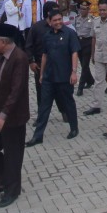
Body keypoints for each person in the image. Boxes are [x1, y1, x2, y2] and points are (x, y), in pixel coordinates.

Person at [0, 22, 31, 208]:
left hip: (12, 118)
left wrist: (3, 115)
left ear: (3, 42)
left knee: (13, 155)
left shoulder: (19, 58)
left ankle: (12, 190)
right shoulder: (1, 57)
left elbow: (16, 91)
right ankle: (0, 181)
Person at [26, 11, 80, 147]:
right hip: (49, 77)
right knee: (44, 106)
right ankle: (38, 136)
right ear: (50, 21)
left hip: (64, 76)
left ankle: (74, 128)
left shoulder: (70, 33)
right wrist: (42, 74)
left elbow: (74, 53)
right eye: (55, 20)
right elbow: (44, 55)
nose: (58, 22)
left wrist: (74, 72)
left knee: (68, 103)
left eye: (60, 19)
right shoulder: (47, 36)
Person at [84, 1, 107, 116]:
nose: (102, 12)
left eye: (104, 10)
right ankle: (96, 106)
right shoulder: (95, 22)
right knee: (98, 82)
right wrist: (92, 54)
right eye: (100, 10)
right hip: (99, 56)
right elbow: (93, 38)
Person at [73, 0, 95, 96]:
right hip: (78, 42)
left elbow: (93, 34)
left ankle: (80, 88)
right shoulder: (76, 18)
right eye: (81, 8)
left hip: (88, 42)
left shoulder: (92, 19)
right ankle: (90, 80)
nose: (82, 11)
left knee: (85, 65)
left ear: (88, 9)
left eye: (84, 9)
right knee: (83, 64)